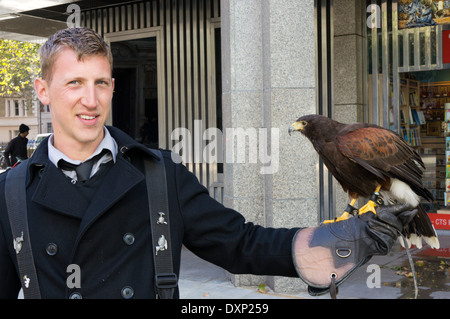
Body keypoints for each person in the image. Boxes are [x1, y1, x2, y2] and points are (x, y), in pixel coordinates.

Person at [0, 27, 416, 299]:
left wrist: (339, 241)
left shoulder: (159, 174)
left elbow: (241, 244)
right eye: (74, 83)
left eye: (101, 83)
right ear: (42, 90)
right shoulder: (10, 192)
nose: (91, 101)